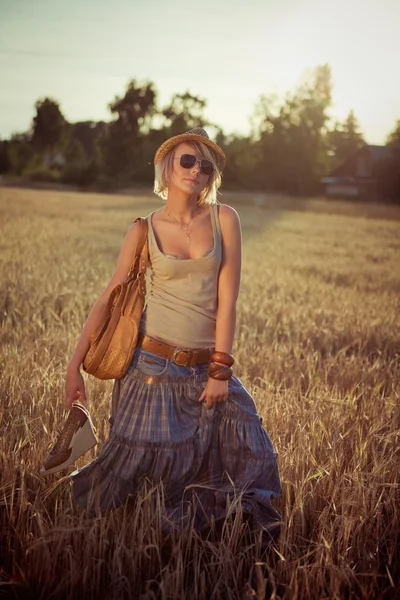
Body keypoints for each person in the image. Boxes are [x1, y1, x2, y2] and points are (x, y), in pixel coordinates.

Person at [65, 128, 282, 538]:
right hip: (151, 367)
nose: (196, 170)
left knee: (252, 451)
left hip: (207, 368)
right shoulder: (143, 230)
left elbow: (227, 301)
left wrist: (220, 370)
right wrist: (74, 365)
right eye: (187, 160)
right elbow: (108, 298)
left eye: (205, 165)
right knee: (136, 475)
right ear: (167, 167)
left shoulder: (224, 219)